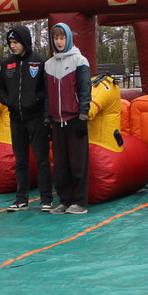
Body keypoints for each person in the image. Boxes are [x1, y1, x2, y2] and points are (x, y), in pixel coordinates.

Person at [0, 25, 52, 212]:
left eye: (16, 42)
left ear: (25, 42)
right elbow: (0, 87)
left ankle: (46, 199)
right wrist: (7, 101)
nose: (13, 46)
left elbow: (47, 90)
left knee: (42, 160)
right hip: (16, 118)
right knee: (20, 161)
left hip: (36, 118)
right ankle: (21, 200)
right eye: (10, 42)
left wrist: (36, 101)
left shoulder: (40, 62)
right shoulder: (7, 64)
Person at [44, 23, 92, 214]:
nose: (59, 41)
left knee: (78, 163)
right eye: (56, 38)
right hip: (57, 121)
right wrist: (46, 120)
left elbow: (85, 89)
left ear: (68, 38)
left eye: (62, 38)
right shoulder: (48, 65)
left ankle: (80, 202)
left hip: (74, 119)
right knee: (61, 164)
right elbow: (47, 95)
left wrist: (83, 116)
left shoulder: (79, 61)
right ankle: (65, 200)